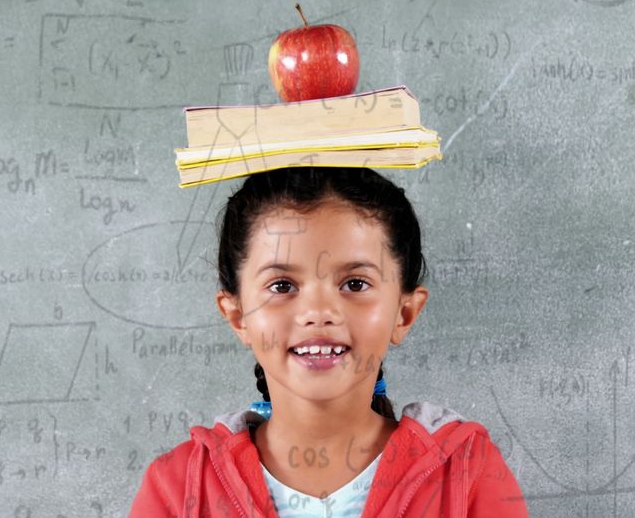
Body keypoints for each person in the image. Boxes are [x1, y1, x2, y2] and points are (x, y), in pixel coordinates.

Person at [129, 167, 529, 517]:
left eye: (355, 283)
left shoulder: (467, 473)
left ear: (404, 313)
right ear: (238, 316)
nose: (318, 311)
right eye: (282, 285)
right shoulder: (178, 489)